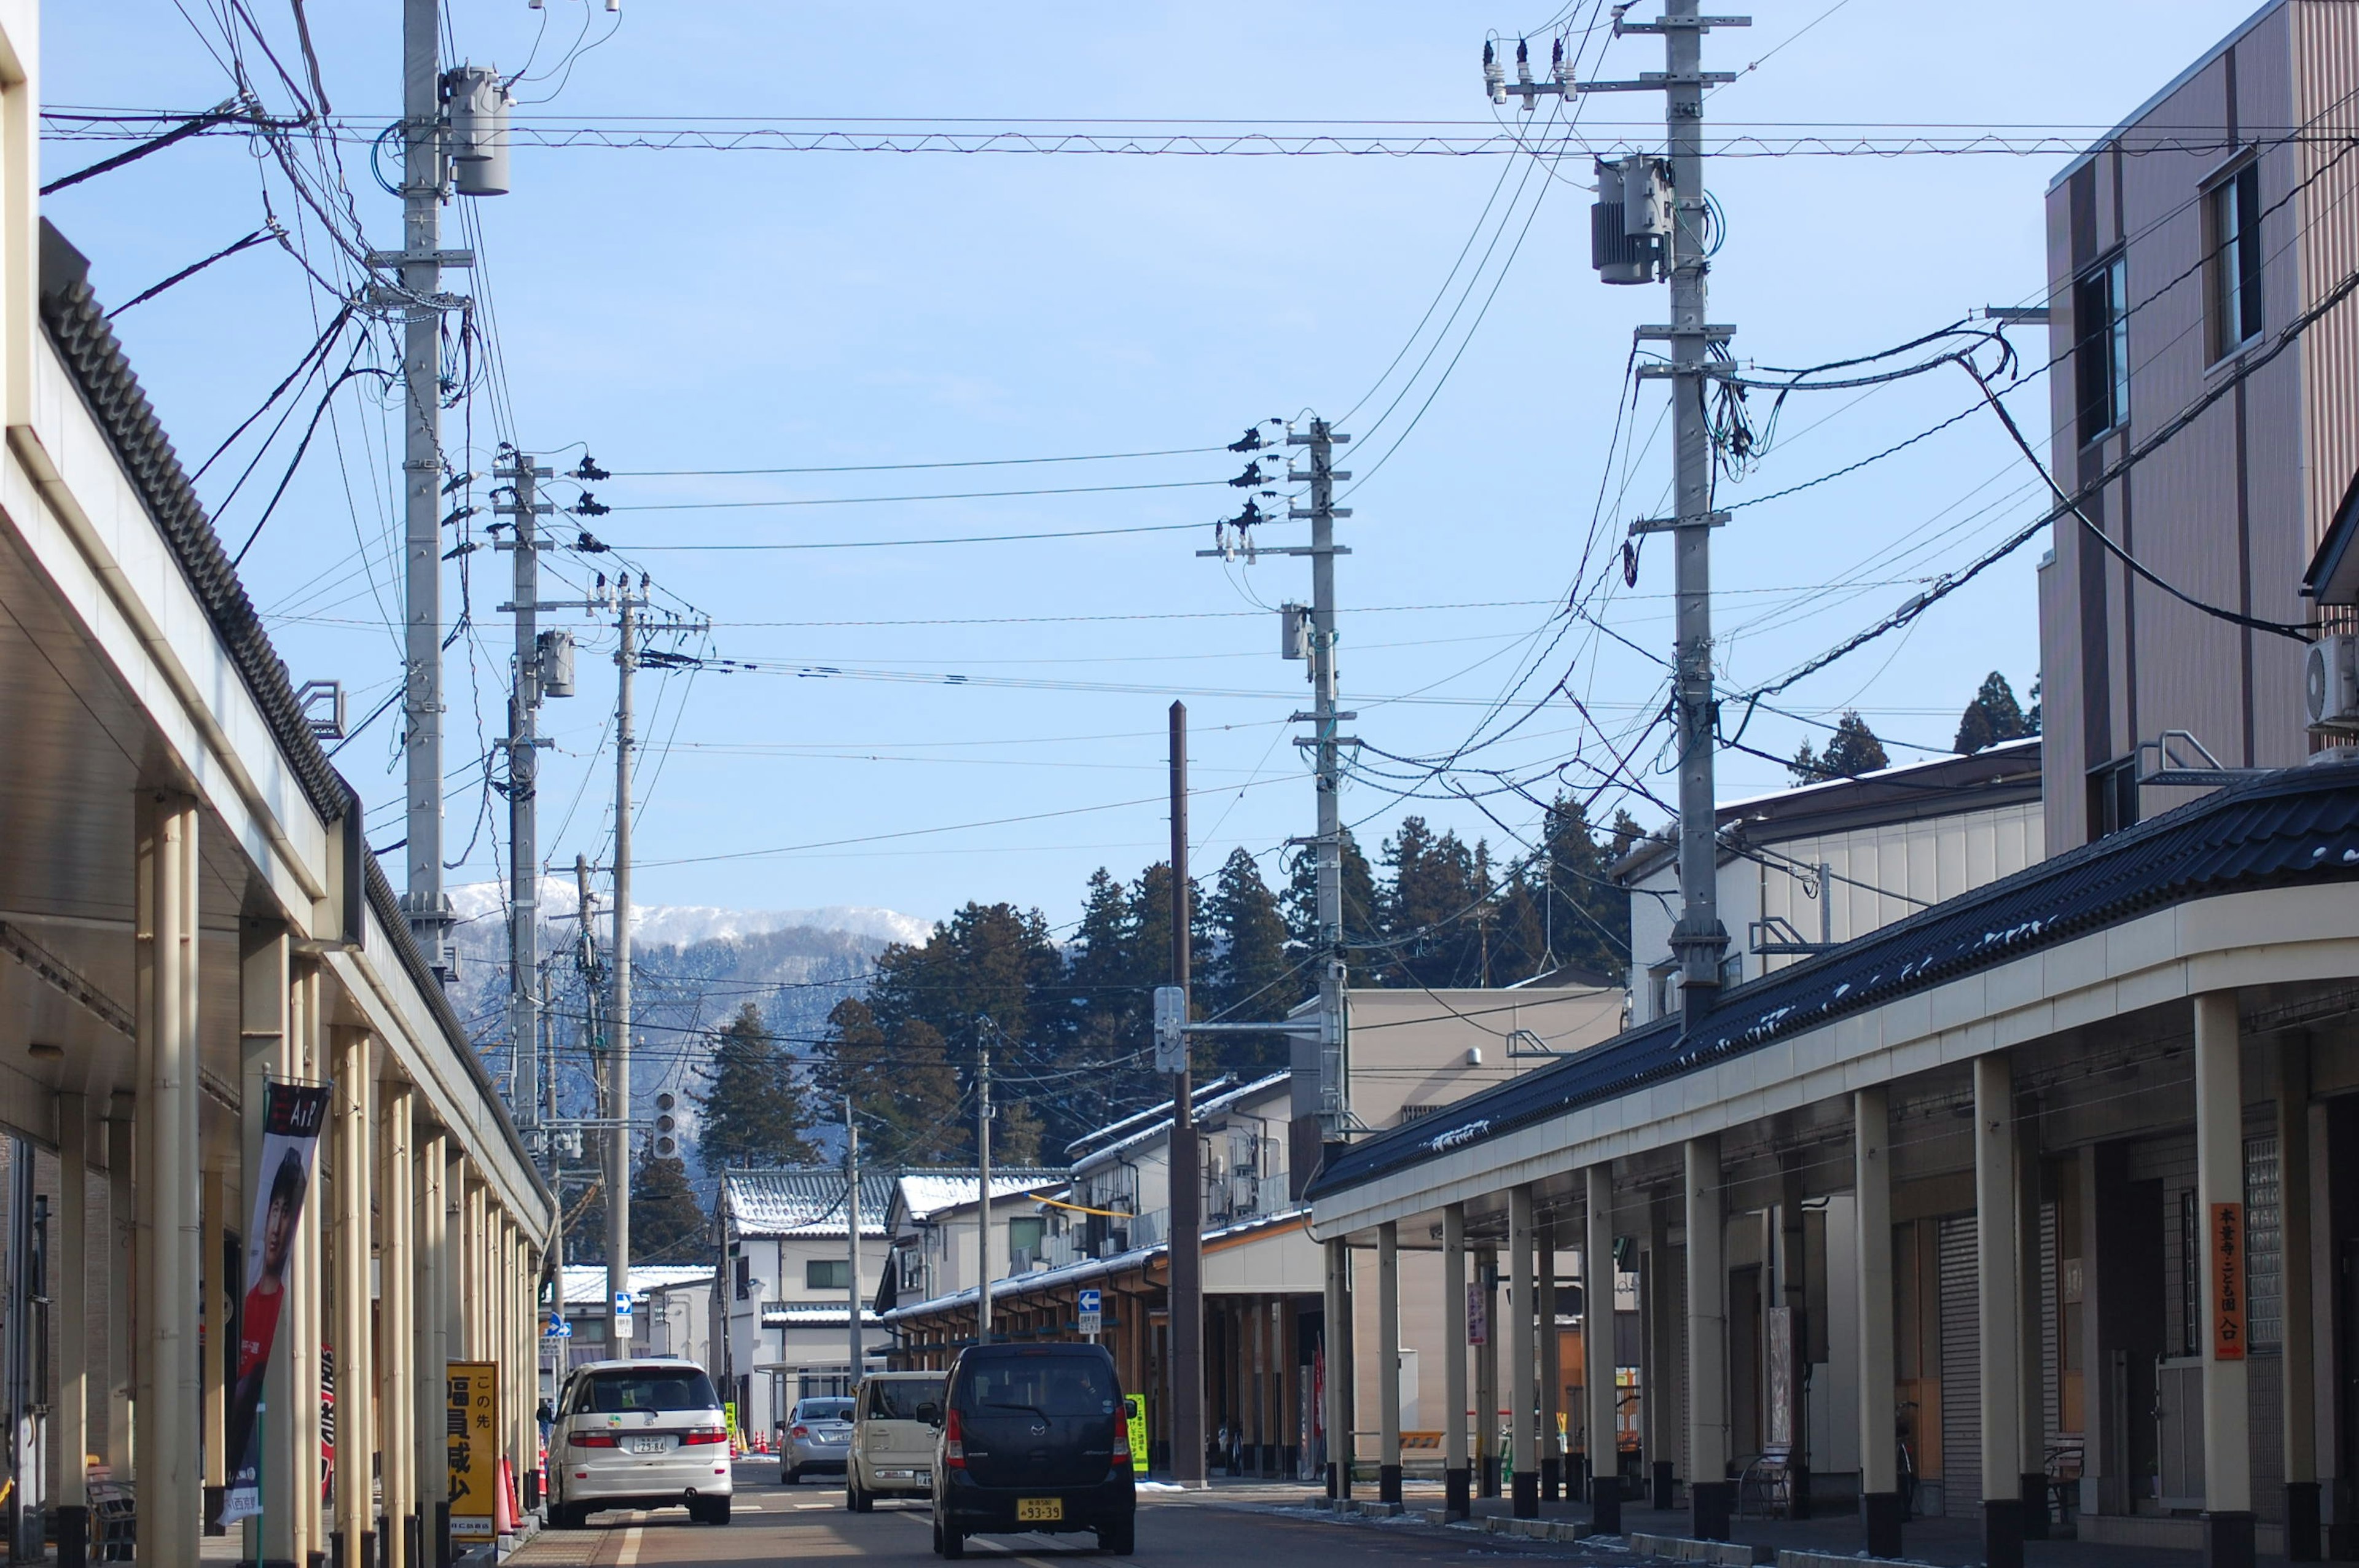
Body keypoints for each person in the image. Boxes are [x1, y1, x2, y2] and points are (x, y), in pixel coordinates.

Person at [222, 1149, 308, 1497]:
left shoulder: (287, 1306)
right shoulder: (249, 1301)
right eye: (274, 1209)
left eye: (287, 1212)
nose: (276, 1225)